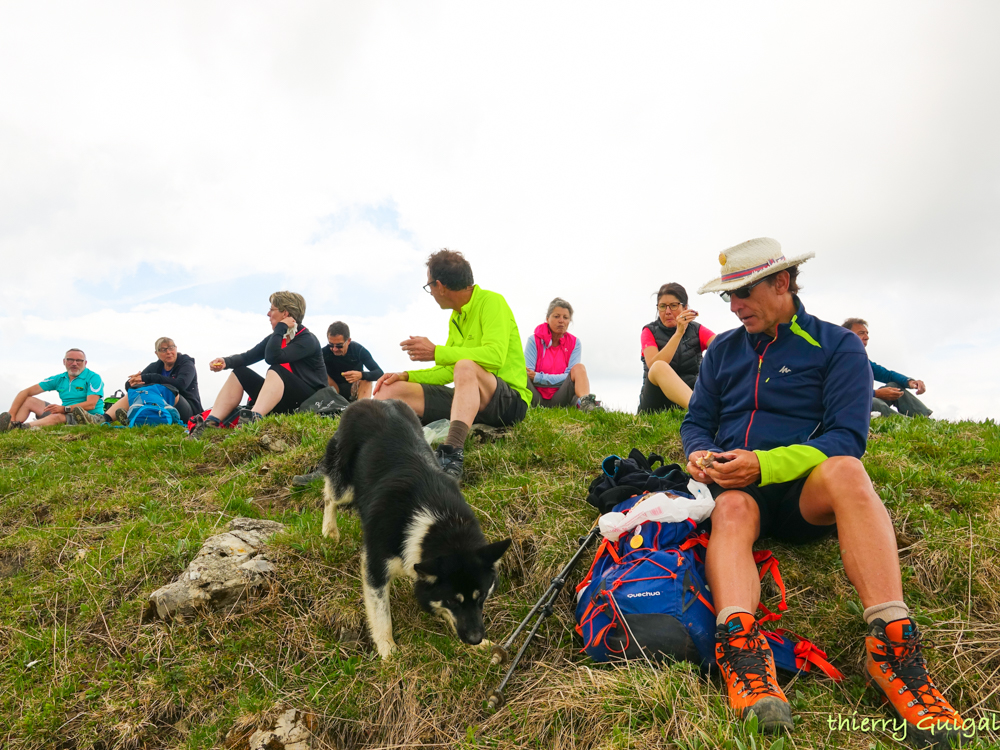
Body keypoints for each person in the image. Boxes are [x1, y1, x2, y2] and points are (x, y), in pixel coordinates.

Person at [681, 238, 962, 743]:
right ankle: (742, 652)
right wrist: (699, 455)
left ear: (782, 282)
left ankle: (893, 648)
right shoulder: (722, 349)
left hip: (802, 495)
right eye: (729, 296)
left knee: (848, 471)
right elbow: (697, 420)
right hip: (735, 491)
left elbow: (846, 437)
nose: (736, 305)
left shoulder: (837, 345)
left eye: (744, 291)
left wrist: (764, 465)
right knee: (733, 509)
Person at [373, 249, 530, 479]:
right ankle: (359, 460)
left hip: (507, 402)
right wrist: (407, 376)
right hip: (467, 403)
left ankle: (451, 455)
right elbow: (447, 370)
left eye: (429, 287)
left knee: (465, 366)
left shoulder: (492, 302)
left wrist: (437, 351)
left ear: (440, 286)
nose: (432, 293)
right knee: (389, 390)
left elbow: (495, 356)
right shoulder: (456, 317)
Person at [187, 291, 326, 439]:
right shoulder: (276, 338)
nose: (268, 314)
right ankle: (210, 424)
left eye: (272, 309)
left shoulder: (307, 340)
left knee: (276, 369)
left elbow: (273, 357)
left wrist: (280, 328)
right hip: (282, 400)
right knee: (240, 372)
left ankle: (252, 419)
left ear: (285, 314)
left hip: (308, 401)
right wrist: (225, 362)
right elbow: (248, 357)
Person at [76, 337, 203, 425]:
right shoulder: (156, 366)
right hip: (161, 407)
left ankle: (130, 416)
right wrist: (131, 383)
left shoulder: (186, 364)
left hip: (189, 411)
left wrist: (148, 379)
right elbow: (134, 384)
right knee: (139, 390)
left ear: (176, 348)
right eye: (163, 350)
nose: (169, 352)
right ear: (157, 353)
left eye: (171, 348)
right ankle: (102, 419)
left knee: (165, 389)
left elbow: (181, 384)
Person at [638, 283, 715, 413]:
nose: (667, 312)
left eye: (673, 306)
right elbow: (653, 365)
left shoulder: (697, 330)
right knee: (658, 367)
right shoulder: (649, 331)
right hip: (655, 403)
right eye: (662, 306)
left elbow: (722, 347)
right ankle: (701, 410)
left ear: (685, 307)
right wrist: (679, 333)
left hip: (690, 393)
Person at [843, 318, 932, 418]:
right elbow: (842, 392)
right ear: (848, 336)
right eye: (861, 333)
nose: (867, 337)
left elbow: (887, 375)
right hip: (848, 405)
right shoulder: (837, 359)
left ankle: (925, 417)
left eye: (867, 333)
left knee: (894, 387)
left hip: (866, 398)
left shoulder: (862, 360)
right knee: (874, 402)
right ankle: (914, 424)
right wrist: (876, 393)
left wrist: (910, 382)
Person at [523, 297, 600, 411]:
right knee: (520, 373)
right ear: (547, 318)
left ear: (569, 321)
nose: (561, 321)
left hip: (562, 397)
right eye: (556, 316)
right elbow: (528, 374)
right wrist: (536, 378)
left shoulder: (575, 343)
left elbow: (570, 375)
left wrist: (539, 377)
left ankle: (585, 404)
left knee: (579, 368)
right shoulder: (533, 340)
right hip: (535, 396)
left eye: (565, 317)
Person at [0, 349, 104, 431]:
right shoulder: (59, 378)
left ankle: (18, 428)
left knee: (57, 417)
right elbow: (25, 392)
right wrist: (11, 415)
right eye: (70, 360)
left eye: (79, 361)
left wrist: (64, 409)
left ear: (85, 363)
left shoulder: (93, 377)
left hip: (88, 416)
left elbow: (91, 404)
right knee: (28, 400)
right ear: (64, 361)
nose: (74, 363)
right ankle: (10, 423)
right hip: (64, 412)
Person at [322, 321, 383, 402]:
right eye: (331, 345)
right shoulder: (323, 352)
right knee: (320, 373)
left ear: (348, 341)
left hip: (354, 389)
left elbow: (379, 373)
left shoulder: (358, 350)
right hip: (334, 389)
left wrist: (361, 375)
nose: (334, 349)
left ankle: (362, 409)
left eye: (339, 346)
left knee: (366, 380)